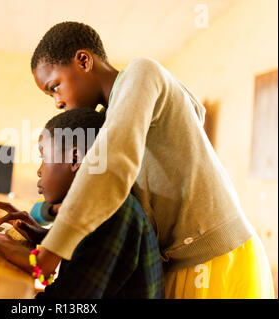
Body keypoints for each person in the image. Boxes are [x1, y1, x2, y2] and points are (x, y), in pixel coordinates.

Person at [24, 21, 274, 299]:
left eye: (55, 86)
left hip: (213, 256)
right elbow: (106, 196)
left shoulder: (141, 72)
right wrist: (46, 222)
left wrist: (52, 251)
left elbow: (112, 169)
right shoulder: (113, 118)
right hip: (179, 260)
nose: (57, 102)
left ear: (83, 60)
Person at [0, 108, 163, 298]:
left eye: (43, 157)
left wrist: (32, 263)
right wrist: (45, 237)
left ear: (75, 158)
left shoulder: (111, 215)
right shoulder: (101, 205)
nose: (39, 171)